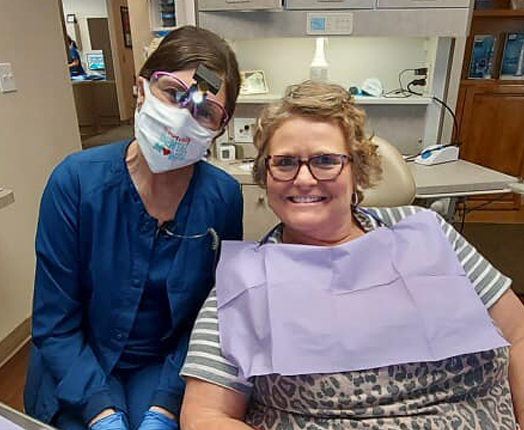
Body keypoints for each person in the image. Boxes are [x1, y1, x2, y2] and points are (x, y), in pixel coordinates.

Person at [180, 80, 524, 430]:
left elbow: (519, 332)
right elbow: (203, 416)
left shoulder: (425, 230)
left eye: (326, 161)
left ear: (356, 170)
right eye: (284, 163)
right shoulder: (245, 280)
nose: (303, 179)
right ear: (265, 177)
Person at [24, 26, 243, 430]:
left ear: (219, 128)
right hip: (77, 361)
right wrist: (101, 412)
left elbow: (212, 315)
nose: (183, 117)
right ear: (141, 88)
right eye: (174, 93)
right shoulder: (75, 182)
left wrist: (163, 407)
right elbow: (55, 323)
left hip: (163, 367)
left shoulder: (223, 197)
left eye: (204, 110)